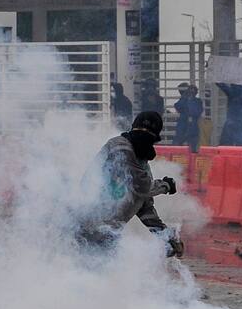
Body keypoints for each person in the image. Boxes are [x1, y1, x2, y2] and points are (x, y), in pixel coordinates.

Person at [78, 111, 183, 257]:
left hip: (108, 233)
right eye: (141, 129)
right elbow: (141, 187)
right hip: (87, 224)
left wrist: (163, 235)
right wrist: (165, 186)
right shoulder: (119, 147)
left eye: (148, 132)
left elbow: (144, 204)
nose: (143, 133)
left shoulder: (141, 161)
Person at [173, 83, 204, 151]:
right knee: (177, 146)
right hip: (182, 125)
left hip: (193, 126)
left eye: (193, 91)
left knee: (192, 148)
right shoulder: (183, 100)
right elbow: (177, 106)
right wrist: (185, 97)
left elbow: (196, 112)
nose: (191, 93)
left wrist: (190, 101)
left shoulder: (198, 101)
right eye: (190, 91)